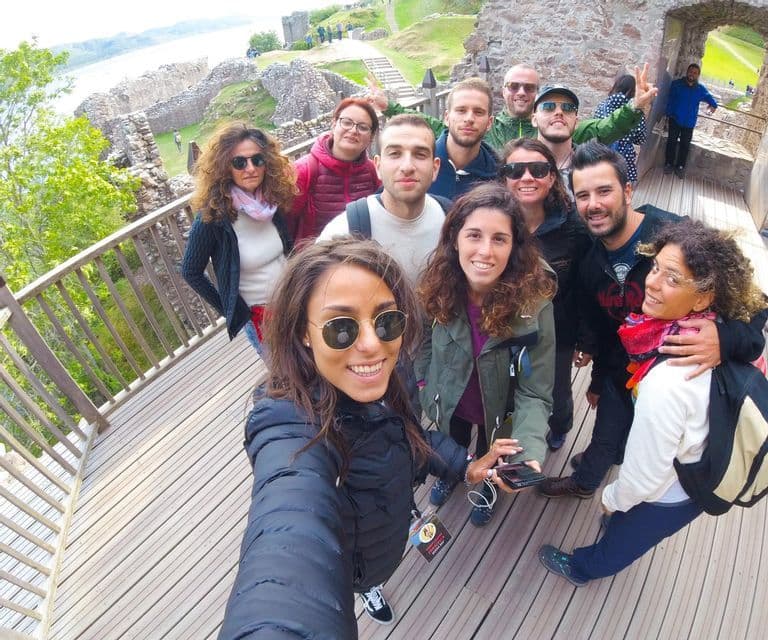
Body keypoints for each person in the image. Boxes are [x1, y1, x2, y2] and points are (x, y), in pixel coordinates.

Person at [217, 238, 523, 636]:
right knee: (364, 578)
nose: (371, 344)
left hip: (388, 525)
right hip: (351, 560)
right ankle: (368, 589)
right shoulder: (289, 423)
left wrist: (465, 466)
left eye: (387, 321)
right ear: (302, 333)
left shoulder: (389, 371)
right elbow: (287, 529)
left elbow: (407, 433)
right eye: (340, 327)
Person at [539, 219, 767, 586]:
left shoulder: (668, 381)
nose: (652, 282)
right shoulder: (712, 328)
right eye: (656, 266)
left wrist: (612, 497)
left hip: (673, 491)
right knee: (629, 522)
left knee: (624, 540)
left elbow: (643, 479)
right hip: (699, 459)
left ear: (705, 296)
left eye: (673, 278)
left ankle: (583, 568)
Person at [538, 141, 767, 499]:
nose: (593, 204)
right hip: (622, 372)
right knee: (607, 433)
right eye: (582, 195)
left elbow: (754, 307)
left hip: (680, 382)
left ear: (628, 190)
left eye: (604, 191)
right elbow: (602, 330)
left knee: (647, 453)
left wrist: (724, 339)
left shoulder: (678, 238)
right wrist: (598, 380)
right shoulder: (589, 264)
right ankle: (588, 480)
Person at [416, 183, 556, 527]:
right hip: (450, 400)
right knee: (454, 438)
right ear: (455, 239)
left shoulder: (532, 305)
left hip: (500, 408)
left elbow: (535, 389)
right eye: (474, 235)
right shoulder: (437, 284)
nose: (485, 251)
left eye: (499, 239)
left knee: (490, 449)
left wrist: (525, 453)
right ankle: (452, 472)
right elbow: (420, 340)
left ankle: (487, 488)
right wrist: (423, 382)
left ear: (514, 247)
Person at [500, 138, 592, 451]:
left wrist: (585, 337)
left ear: (552, 177)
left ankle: (560, 425)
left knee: (557, 388)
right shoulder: (494, 222)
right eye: (515, 169)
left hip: (557, 330)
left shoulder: (574, 229)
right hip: (503, 326)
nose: (527, 177)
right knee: (507, 386)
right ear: (504, 178)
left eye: (538, 169)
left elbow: (584, 286)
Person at [181, 122, 295, 352]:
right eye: (239, 162)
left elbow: (286, 251)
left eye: (257, 159)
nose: (250, 168)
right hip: (262, 318)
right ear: (225, 168)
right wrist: (233, 310)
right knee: (287, 377)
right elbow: (190, 272)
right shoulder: (213, 217)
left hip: (293, 301)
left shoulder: (271, 202)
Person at [317, 114, 443, 283]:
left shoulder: (450, 221)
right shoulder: (343, 233)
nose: (407, 167)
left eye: (420, 154)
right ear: (377, 165)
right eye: (395, 154)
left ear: (435, 168)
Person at [484, 63, 654, 153]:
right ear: (503, 90)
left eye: (529, 88)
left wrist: (634, 107)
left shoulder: (558, 128)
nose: (521, 93)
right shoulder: (488, 129)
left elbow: (605, 127)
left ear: (537, 93)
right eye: (514, 86)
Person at [289, 98, 380, 243]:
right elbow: (287, 224)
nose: (353, 130)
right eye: (347, 122)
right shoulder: (303, 170)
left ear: (371, 137)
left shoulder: (373, 171)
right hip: (316, 261)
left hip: (361, 259)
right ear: (334, 124)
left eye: (362, 127)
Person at [664, 63, 717, 179]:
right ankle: (668, 164)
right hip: (675, 119)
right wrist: (668, 114)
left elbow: (712, 102)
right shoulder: (676, 84)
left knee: (685, 145)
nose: (692, 74)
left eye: (695, 73)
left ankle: (680, 167)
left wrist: (712, 108)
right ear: (687, 72)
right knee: (671, 142)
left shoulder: (700, 89)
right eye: (690, 71)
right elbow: (670, 100)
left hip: (689, 123)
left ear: (698, 75)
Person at [593, 74, 647, 184]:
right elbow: (641, 139)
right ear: (633, 92)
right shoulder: (636, 112)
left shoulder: (602, 105)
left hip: (600, 157)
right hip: (623, 160)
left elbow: (595, 130)